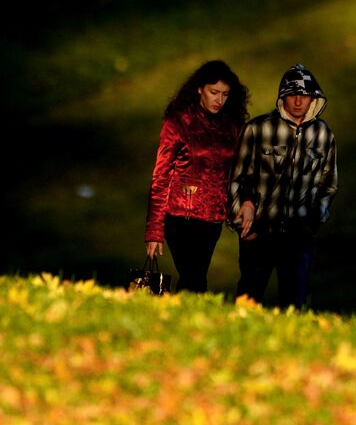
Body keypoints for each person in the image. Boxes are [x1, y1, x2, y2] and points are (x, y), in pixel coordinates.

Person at [228, 63, 338, 308]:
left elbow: (328, 183)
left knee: (295, 300)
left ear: (313, 99)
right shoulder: (257, 129)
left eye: (304, 95)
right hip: (260, 231)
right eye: (292, 95)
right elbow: (237, 177)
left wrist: (312, 221)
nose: (299, 101)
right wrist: (242, 224)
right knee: (248, 298)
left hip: (298, 234)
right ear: (282, 97)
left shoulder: (323, 134)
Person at [143, 60, 250, 293]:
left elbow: (235, 174)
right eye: (214, 92)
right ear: (200, 88)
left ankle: (180, 319)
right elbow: (161, 176)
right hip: (180, 216)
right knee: (194, 278)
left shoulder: (230, 127)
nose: (219, 100)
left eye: (225, 94)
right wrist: (154, 230)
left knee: (195, 278)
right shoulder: (178, 122)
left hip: (212, 219)